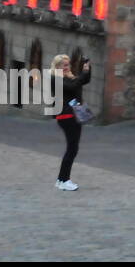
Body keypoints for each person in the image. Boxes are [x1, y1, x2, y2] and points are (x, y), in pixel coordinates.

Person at [51, 54, 91, 191]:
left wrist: (87, 69)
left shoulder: (68, 78)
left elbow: (83, 81)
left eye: (68, 65)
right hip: (67, 116)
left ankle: (61, 180)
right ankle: (64, 180)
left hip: (73, 115)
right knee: (72, 148)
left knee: (72, 148)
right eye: (65, 65)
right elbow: (73, 85)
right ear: (57, 67)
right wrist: (83, 73)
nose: (67, 67)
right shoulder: (56, 79)